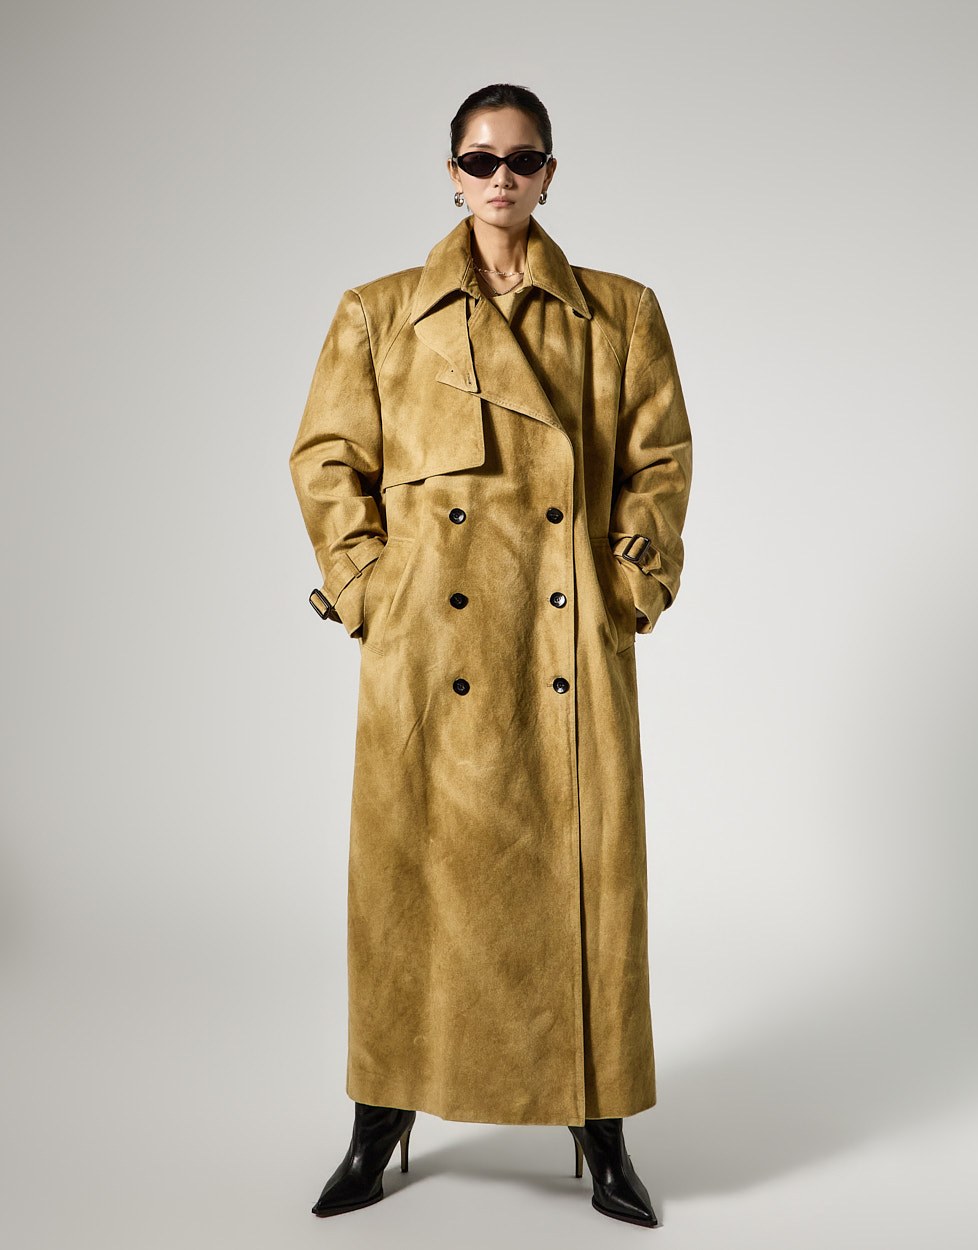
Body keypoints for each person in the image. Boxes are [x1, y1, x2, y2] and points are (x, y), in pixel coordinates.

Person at [288, 82, 692, 1228]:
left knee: (589, 883)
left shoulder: (618, 312)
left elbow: (658, 460)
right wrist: (371, 590)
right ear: (452, 173)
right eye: (479, 159)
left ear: (550, 173)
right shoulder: (379, 312)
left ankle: (599, 1123)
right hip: (430, 654)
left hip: (563, 645)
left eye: (522, 159)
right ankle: (380, 1116)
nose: (500, 178)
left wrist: (626, 583)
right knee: (406, 885)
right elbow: (326, 459)